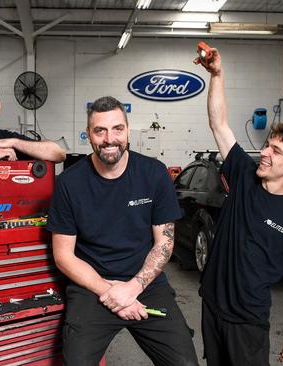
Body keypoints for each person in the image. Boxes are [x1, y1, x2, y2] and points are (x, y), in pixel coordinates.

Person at [194, 47, 283, 365]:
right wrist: (216, 75)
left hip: (248, 317)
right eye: (267, 145)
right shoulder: (243, 175)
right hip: (212, 305)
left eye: (276, 151)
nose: (265, 152)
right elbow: (219, 123)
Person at [47, 96, 198, 366]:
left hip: (145, 283)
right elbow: (64, 256)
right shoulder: (69, 183)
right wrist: (112, 293)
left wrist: (133, 288)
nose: (109, 139)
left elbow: (164, 243)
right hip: (91, 285)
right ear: (89, 134)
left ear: (127, 130)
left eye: (117, 129)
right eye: (100, 130)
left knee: (185, 362)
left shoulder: (154, 173)